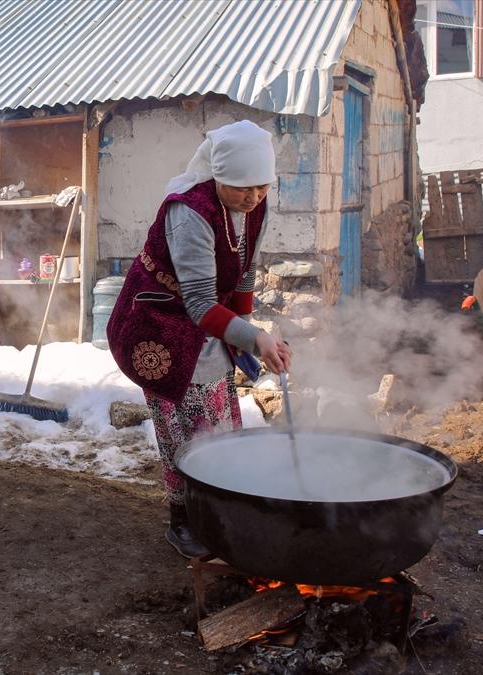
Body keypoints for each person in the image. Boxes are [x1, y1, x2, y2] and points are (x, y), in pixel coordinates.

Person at [106, 120, 293, 557]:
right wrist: (254, 339)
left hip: (208, 317)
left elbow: (244, 273)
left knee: (218, 421)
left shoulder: (255, 207)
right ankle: (183, 520)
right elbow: (197, 303)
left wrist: (244, 338)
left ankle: (216, 512)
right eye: (242, 188)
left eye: (262, 188)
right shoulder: (188, 211)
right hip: (160, 323)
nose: (253, 198)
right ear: (218, 176)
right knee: (183, 430)